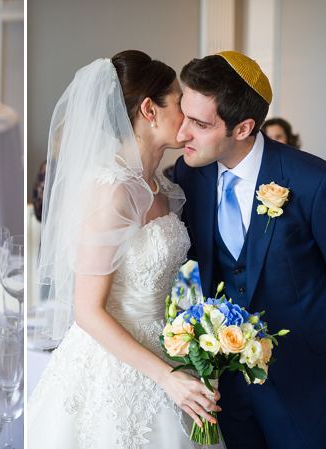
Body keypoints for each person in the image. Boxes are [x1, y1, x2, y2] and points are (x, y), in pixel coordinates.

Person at [28, 51, 223, 449]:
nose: (187, 119)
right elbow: (87, 312)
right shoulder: (113, 192)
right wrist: (165, 377)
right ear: (149, 109)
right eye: (180, 106)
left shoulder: (167, 190)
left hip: (167, 348)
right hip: (110, 363)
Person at [174, 51, 326, 449]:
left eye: (199, 124)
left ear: (243, 128)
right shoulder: (188, 175)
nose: (181, 134)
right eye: (183, 115)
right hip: (228, 392)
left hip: (307, 387)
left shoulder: (313, 181)